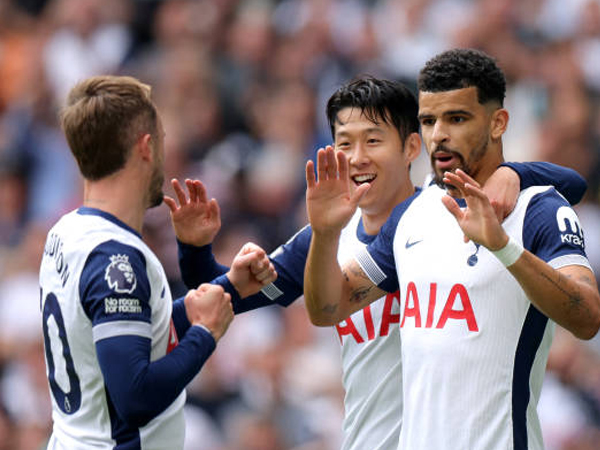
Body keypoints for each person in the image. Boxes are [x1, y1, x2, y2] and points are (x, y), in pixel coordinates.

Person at [170, 75, 587, 450]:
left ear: (410, 147)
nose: (356, 158)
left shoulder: (446, 214)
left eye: (372, 141)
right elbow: (217, 298)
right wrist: (194, 252)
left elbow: (572, 183)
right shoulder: (323, 241)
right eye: (344, 143)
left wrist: (512, 171)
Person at [303, 49, 600, 450]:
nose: (438, 134)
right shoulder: (413, 213)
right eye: (428, 121)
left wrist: (504, 247)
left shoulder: (539, 209)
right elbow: (327, 309)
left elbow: (586, 317)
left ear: (498, 123)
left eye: (456, 119)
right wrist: (325, 234)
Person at [38, 75, 276, 450]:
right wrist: (204, 334)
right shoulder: (116, 258)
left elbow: (133, 334)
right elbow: (135, 397)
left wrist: (225, 289)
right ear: (146, 147)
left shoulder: (65, 232)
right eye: (162, 140)